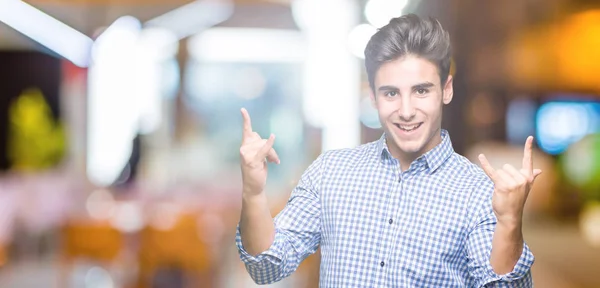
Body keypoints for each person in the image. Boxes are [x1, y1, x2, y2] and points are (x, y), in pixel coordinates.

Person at [236, 13, 541, 287]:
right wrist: (252, 191)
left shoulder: (477, 192)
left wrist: (510, 222)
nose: (406, 111)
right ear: (373, 97)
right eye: (391, 93)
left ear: (446, 90)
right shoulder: (330, 172)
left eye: (421, 90)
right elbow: (266, 267)